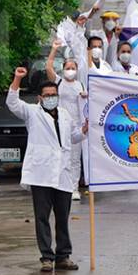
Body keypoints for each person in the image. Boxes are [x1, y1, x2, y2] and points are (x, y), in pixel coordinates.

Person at [6, 67, 86, 272]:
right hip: (41, 174)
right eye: (47, 96)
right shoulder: (32, 113)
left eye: (54, 95)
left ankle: (63, 256)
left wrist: (84, 130)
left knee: (62, 217)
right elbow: (12, 103)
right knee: (42, 217)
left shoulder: (66, 114)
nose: (51, 98)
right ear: (40, 98)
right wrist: (17, 78)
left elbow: (73, 137)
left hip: (63, 173)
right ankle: (46, 257)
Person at [45, 40, 87, 201]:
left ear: (77, 70)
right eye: (67, 68)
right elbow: (48, 67)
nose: (70, 71)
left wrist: (86, 96)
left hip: (76, 125)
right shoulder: (59, 82)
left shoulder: (81, 84)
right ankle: (59, 187)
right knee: (60, 157)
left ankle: (74, 188)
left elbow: (86, 106)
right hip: (60, 124)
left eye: (73, 68)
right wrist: (54, 49)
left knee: (75, 159)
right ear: (62, 70)